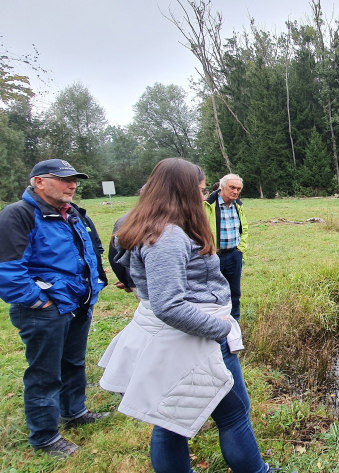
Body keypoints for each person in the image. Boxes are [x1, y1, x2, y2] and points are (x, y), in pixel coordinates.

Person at [97, 158, 283, 473]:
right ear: (180, 191)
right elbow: (169, 304)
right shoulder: (168, 236)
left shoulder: (147, 223)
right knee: (234, 414)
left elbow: (133, 270)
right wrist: (219, 328)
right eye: (198, 190)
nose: (202, 197)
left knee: (169, 418)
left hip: (177, 336)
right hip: (195, 338)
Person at [0, 159, 109, 457]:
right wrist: (40, 301)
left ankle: (74, 412)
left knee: (73, 363)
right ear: (39, 182)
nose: (71, 184)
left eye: (74, 179)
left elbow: (89, 251)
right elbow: (8, 270)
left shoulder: (70, 213)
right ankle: (45, 437)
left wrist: (92, 287)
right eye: (63, 179)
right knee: (44, 374)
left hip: (76, 303)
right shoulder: (18, 215)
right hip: (43, 310)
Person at [204, 174, 248, 321]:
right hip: (214, 256)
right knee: (213, 293)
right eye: (232, 188)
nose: (235, 191)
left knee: (234, 292)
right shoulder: (207, 205)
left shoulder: (238, 205)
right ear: (222, 187)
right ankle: (215, 325)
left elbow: (244, 228)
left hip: (234, 255)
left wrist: (241, 248)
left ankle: (234, 325)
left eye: (238, 189)